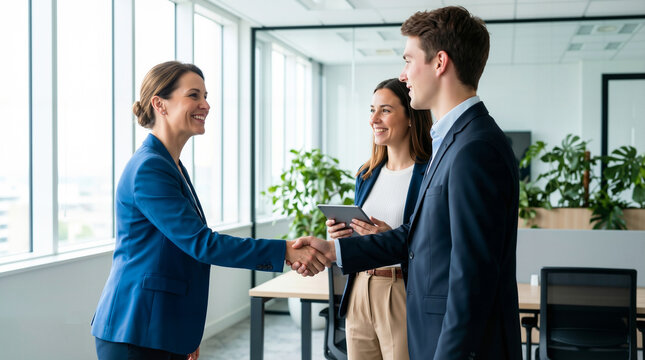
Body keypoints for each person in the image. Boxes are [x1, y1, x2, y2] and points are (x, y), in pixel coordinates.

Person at [292, 6, 522, 359]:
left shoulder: (475, 147)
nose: (403, 74)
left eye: (408, 60)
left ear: (440, 62)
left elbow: (471, 279)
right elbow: (417, 236)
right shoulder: (454, 141)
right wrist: (335, 250)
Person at [91, 61, 328, 360]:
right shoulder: (150, 168)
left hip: (161, 327)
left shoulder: (170, 165)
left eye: (205, 95)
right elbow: (201, 244)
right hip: (136, 330)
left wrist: (183, 331)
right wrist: (286, 252)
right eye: (194, 95)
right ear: (159, 104)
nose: (206, 104)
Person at [325, 78, 431, 360]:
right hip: (360, 288)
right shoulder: (366, 173)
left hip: (400, 290)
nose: (374, 119)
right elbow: (362, 236)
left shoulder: (429, 174)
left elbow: (433, 240)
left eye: (385, 110)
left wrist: (390, 235)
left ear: (411, 117)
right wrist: (343, 233)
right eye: (372, 110)